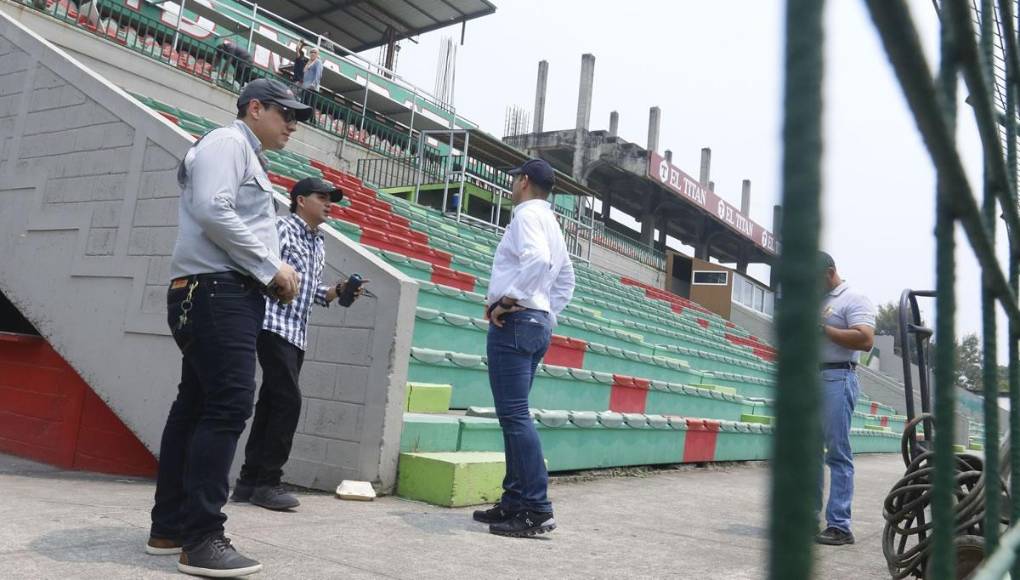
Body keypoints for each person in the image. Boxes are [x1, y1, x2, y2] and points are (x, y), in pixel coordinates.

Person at [147, 78, 312, 578]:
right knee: (229, 405)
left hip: (217, 293)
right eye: (285, 113)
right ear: (254, 107)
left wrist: (268, 272)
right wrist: (271, 267)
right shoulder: (227, 142)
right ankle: (202, 539)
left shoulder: (244, 152)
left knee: (195, 407)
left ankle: (171, 526)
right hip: (216, 292)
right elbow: (213, 209)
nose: (292, 124)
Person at [230, 177, 366, 510]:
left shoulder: (318, 242)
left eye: (330, 198)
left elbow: (311, 290)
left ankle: (249, 482)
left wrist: (338, 290)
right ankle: (269, 482)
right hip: (272, 324)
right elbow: (262, 267)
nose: (329, 203)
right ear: (300, 200)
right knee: (288, 400)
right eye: (322, 197)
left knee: (272, 402)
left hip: (296, 332)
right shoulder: (282, 228)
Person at [472, 158, 575, 537]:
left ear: (524, 181)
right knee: (513, 416)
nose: (513, 183)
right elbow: (566, 279)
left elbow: (540, 261)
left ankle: (535, 507)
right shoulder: (550, 220)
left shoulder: (527, 215)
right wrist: (547, 313)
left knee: (514, 417)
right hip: (534, 323)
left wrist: (509, 300)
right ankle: (515, 500)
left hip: (516, 322)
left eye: (515, 177)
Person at [815, 251, 876, 546]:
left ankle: (840, 525)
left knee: (837, 452)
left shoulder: (854, 297)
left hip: (838, 377)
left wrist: (824, 330)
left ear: (828, 272)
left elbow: (865, 339)